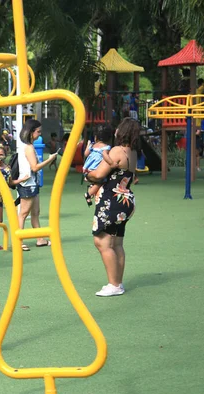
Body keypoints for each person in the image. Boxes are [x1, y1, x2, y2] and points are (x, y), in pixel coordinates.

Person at [86, 117, 138, 297]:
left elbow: (99, 174)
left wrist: (88, 175)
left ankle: (113, 284)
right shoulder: (132, 152)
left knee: (102, 241)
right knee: (116, 243)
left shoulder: (116, 150)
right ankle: (118, 283)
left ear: (120, 132)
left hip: (112, 200)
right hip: (126, 200)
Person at [16, 119, 58, 251]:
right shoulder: (28, 147)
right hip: (28, 184)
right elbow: (34, 167)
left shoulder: (29, 146)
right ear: (31, 132)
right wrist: (49, 159)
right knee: (23, 213)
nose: (40, 134)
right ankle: (19, 240)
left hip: (32, 183)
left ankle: (40, 239)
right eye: (38, 131)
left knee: (35, 212)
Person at [83, 125, 116, 206]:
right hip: (95, 169)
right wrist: (112, 164)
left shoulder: (93, 145)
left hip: (86, 169)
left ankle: (91, 186)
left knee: (96, 182)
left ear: (95, 137)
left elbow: (85, 154)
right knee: (102, 181)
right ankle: (88, 194)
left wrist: (88, 145)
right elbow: (105, 155)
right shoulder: (106, 147)